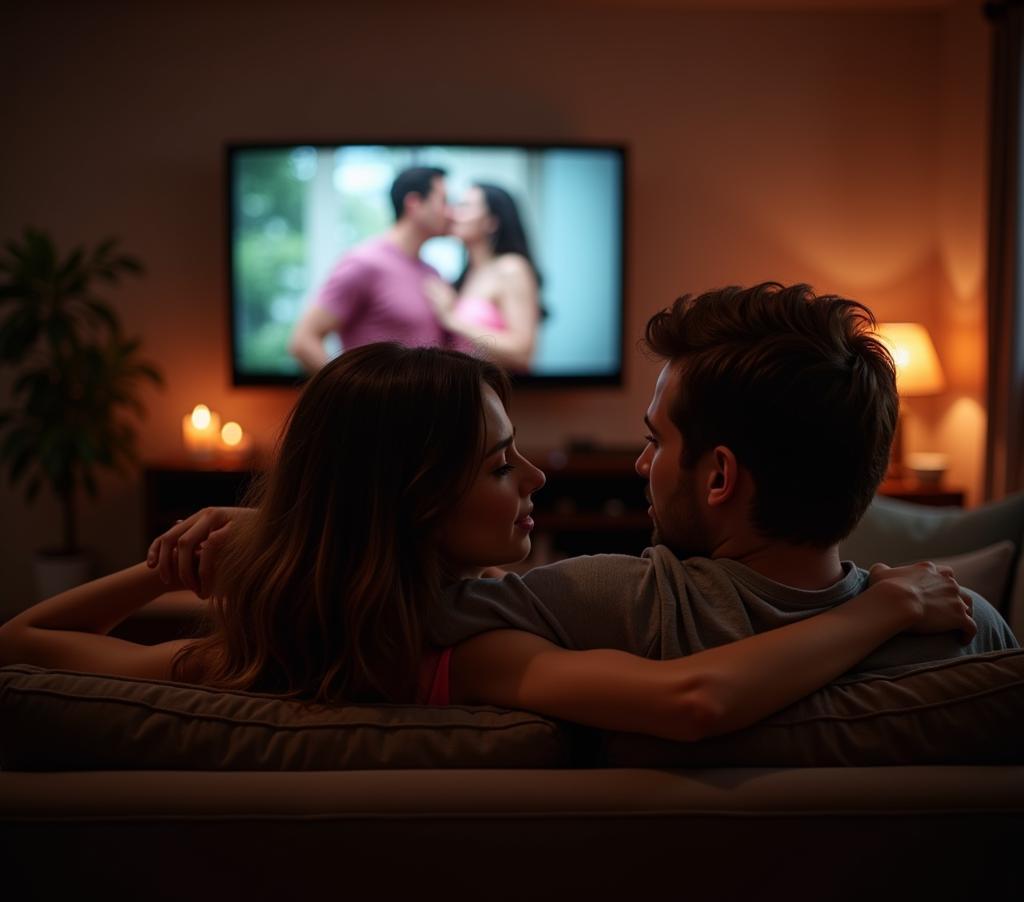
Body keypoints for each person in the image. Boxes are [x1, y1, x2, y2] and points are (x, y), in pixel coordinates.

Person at [0, 342, 978, 743]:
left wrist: (147, 567)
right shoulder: (484, 648)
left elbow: (28, 646)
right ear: (413, 499)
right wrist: (885, 604)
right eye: (501, 464)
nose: (538, 481)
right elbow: (693, 696)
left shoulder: (265, 657)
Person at [429, 282, 1017, 697]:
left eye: (655, 440)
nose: (640, 464)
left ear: (719, 477)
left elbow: (403, 618)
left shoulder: (612, 605)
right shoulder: (970, 630)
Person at [288, 166, 463, 374]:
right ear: (414, 203)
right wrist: (353, 394)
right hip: (376, 406)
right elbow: (303, 341)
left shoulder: (432, 273)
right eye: (444, 201)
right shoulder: (364, 263)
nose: (452, 213)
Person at [423, 183, 541, 373]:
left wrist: (452, 319)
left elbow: (523, 352)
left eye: (464, 206)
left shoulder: (511, 268)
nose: (453, 213)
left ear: (491, 222)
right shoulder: (466, 275)